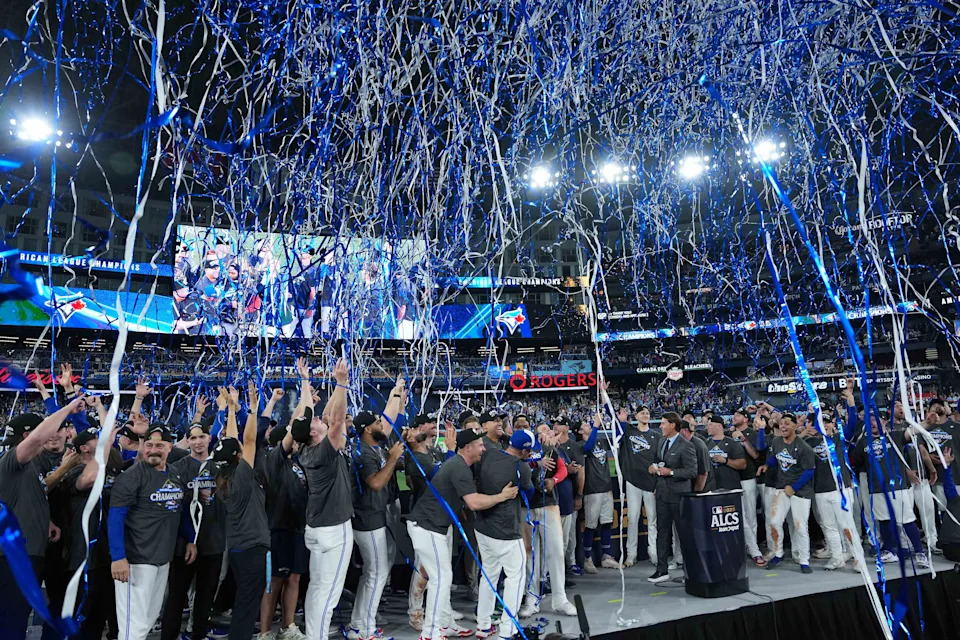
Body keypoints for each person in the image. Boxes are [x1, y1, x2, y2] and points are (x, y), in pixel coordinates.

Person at [406, 429, 517, 640]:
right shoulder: (459, 467)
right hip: (426, 527)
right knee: (442, 578)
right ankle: (430, 632)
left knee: (442, 577)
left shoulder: (460, 465)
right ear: (468, 448)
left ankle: (444, 623)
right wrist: (501, 497)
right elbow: (474, 503)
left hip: (432, 527)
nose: (483, 448)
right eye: (480, 445)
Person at [0, 400, 84, 639]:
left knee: (17, 615)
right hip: (15, 557)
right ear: (27, 435)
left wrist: (45, 520)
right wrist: (67, 408)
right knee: (11, 618)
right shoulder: (12, 461)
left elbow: (25, 498)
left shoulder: (30, 468)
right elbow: (38, 439)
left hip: (30, 552)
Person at [290, 357, 353, 640]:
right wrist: (341, 383)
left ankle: (313, 635)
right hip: (333, 529)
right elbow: (337, 420)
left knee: (317, 587)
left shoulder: (305, 449)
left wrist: (305, 380)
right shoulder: (324, 451)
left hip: (316, 528)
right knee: (328, 593)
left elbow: (314, 415)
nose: (318, 417)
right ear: (315, 434)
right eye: (315, 421)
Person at [109, 424, 190, 640]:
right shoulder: (131, 476)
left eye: (160, 445)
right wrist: (118, 557)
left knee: (147, 621)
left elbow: (178, 511)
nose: (154, 450)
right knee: (132, 627)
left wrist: (190, 540)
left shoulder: (174, 473)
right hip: (135, 561)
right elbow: (115, 519)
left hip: (162, 560)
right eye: (150, 445)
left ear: (169, 448)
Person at [347, 381, 407, 640]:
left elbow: (390, 417)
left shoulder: (373, 445)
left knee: (375, 573)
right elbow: (375, 483)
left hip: (375, 516)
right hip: (367, 518)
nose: (382, 425)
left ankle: (359, 623)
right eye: (377, 423)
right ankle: (364, 628)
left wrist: (397, 392)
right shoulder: (363, 453)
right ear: (367, 429)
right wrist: (393, 458)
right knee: (376, 573)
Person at [212, 382, 271, 640]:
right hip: (252, 549)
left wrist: (233, 411)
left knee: (243, 602)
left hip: (238, 547)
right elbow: (247, 440)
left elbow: (234, 441)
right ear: (238, 457)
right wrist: (253, 407)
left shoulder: (222, 475)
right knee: (247, 606)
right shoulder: (243, 477)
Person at [160, 419, 225, 640]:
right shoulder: (177, 468)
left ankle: (198, 636)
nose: (198, 442)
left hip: (212, 541)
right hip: (183, 544)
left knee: (205, 598)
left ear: (210, 438)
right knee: (177, 597)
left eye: (202, 436)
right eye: (193, 438)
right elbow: (172, 502)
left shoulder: (219, 466)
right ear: (187, 441)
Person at [63, 427, 123, 640]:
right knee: (83, 614)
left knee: (101, 613)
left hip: (108, 553)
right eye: (97, 439)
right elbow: (90, 479)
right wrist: (107, 443)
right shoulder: (74, 472)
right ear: (84, 448)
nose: (103, 441)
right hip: (85, 555)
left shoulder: (111, 470)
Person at [475, 430, 536, 638]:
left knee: (488, 576)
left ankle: (483, 625)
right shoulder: (522, 467)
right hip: (506, 530)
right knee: (515, 578)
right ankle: (507, 629)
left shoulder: (490, 454)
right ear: (525, 449)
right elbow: (530, 492)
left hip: (483, 526)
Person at [259, 393, 310, 640]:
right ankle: (265, 631)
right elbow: (293, 428)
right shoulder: (273, 460)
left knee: (294, 578)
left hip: (297, 528)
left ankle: (287, 626)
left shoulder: (298, 464)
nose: (297, 444)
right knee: (274, 582)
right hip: (276, 529)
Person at [851, 412, 929, 567]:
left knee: (907, 520)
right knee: (884, 520)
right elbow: (855, 460)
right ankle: (889, 551)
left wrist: (927, 422)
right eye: (869, 420)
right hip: (877, 489)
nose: (872, 422)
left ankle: (920, 553)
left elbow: (912, 431)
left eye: (875, 419)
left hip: (897, 488)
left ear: (883, 422)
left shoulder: (894, 437)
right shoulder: (863, 443)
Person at [520, 426, 576, 619]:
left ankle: (560, 599)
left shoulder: (551, 450)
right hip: (525, 506)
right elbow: (517, 464)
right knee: (530, 554)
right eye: (542, 430)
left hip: (548, 504)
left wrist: (554, 481)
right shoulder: (524, 448)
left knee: (556, 550)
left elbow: (561, 470)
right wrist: (537, 462)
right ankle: (532, 599)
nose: (547, 433)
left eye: (549, 430)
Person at [759, 413, 816, 573]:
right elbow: (774, 458)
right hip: (782, 487)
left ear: (795, 426)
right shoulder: (777, 442)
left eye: (787, 424)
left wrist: (794, 487)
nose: (783, 426)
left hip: (800, 491)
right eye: (781, 424)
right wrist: (766, 466)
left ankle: (804, 561)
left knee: (800, 525)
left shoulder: (804, 447)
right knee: (775, 522)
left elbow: (809, 471)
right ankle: (778, 553)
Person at [647, 412, 697, 584]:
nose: (660, 426)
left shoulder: (686, 445)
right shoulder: (662, 441)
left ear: (673, 425)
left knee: (683, 534)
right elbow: (659, 461)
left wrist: (672, 472)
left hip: (679, 495)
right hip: (661, 494)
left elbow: (692, 471)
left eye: (663, 423)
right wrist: (654, 468)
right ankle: (661, 570)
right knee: (662, 532)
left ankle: (690, 571)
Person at [619, 405, 661, 567]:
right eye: (642, 413)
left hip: (651, 482)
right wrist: (603, 392)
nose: (645, 415)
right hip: (633, 481)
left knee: (652, 520)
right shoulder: (629, 431)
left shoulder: (656, 436)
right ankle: (631, 554)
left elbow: (660, 459)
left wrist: (658, 482)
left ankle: (654, 553)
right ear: (635, 417)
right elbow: (614, 418)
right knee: (632, 519)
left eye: (648, 413)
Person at [579, 410, 618, 573]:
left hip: (606, 488)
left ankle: (606, 556)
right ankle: (587, 558)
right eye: (584, 425)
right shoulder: (580, 446)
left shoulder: (601, 441)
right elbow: (588, 447)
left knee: (607, 522)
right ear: (580, 431)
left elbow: (618, 435)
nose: (588, 424)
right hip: (592, 490)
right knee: (591, 525)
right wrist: (595, 426)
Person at [555, 418, 585, 574]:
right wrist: (567, 469)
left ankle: (570, 563)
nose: (556, 427)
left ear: (566, 427)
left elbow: (580, 471)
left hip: (569, 496)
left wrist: (579, 495)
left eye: (559, 424)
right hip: (555, 500)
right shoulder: (553, 449)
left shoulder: (571, 447)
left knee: (570, 534)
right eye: (554, 424)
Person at [705, 416, 746, 491]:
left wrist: (725, 461)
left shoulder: (732, 443)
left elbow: (742, 464)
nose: (707, 427)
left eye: (710, 425)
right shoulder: (705, 444)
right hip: (710, 487)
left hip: (730, 485)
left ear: (719, 426)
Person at [938, 447, 960, 561]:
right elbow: (948, 483)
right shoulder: (955, 499)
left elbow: (948, 483)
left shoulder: (954, 498)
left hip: (948, 549)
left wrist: (946, 464)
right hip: (953, 547)